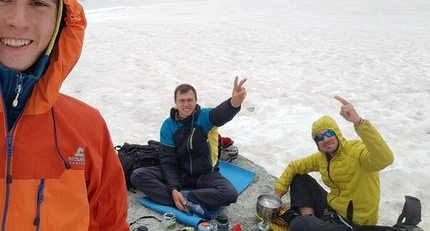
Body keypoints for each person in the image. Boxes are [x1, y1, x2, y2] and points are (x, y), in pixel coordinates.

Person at [0, 0, 129, 230]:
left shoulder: (88, 128)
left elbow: (109, 223)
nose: (18, 20)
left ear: (62, 21)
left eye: (39, 3)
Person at [131, 77, 247, 218]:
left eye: (190, 100)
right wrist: (173, 188)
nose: (186, 104)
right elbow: (168, 162)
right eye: (182, 100)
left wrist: (233, 103)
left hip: (205, 174)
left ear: (196, 100)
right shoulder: (168, 126)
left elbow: (219, 114)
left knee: (229, 193)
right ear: (176, 102)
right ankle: (178, 199)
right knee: (138, 175)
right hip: (180, 173)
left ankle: (184, 198)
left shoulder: (203, 118)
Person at [273, 96, 394, 231]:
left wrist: (359, 122)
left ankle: (297, 219)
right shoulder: (321, 158)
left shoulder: (357, 151)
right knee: (299, 177)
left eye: (329, 133)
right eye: (319, 137)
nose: (325, 139)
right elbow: (294, 166)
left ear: (337, 134)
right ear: (317, 143)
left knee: (300, 225)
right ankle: (309, 218)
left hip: (353, 225)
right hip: (332, 211)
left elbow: (385, 159)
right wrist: (277, 197)